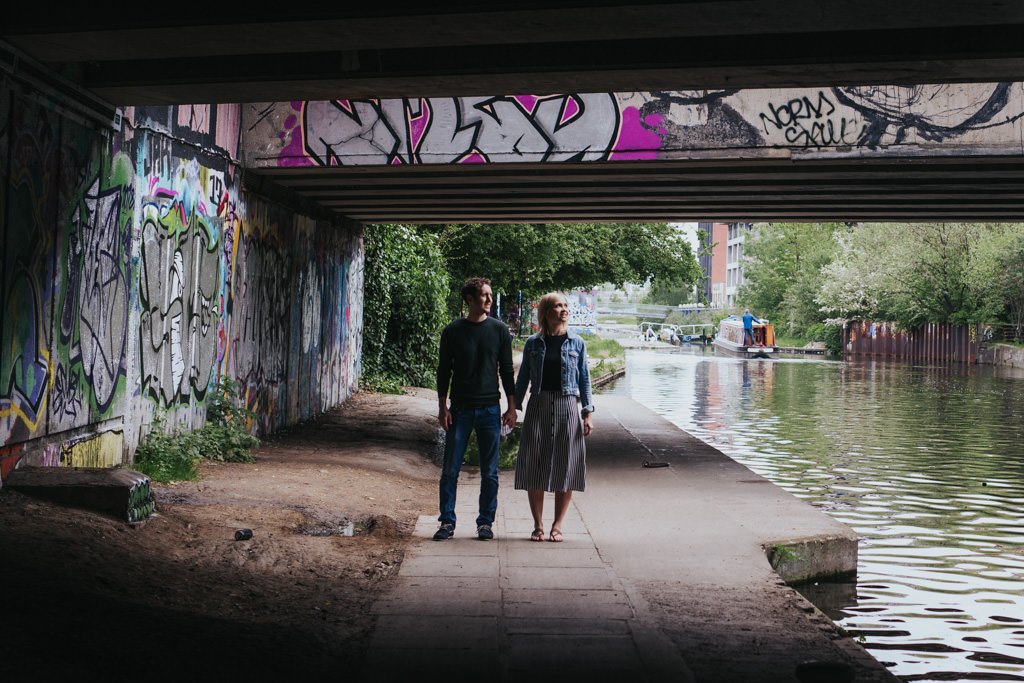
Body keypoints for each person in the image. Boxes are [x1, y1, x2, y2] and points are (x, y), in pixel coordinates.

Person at [435, 277, 518, 541]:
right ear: (470, 300)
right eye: (484, 295)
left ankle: (485, 523)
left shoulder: (499, 330)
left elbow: (506, 371)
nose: (489, 299)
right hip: (459, 409)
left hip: (490, 410)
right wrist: (442, 407)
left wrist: (512, 407)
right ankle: (447, 522)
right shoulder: (452, 331)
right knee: (450, 469)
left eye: (490, 295)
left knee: (490, 472)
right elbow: (443, 371)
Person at [514, 292, 594, 543]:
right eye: (557, 306)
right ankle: (538, 525)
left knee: (566, 465)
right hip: (538, 404)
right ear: (546, 313)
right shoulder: (533, 344)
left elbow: (585, 380)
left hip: (567, 405)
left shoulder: (577, 344)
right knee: (534, 463)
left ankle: (557, 526)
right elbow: (523, 378)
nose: (563, 309)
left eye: (565, 305)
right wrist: (512, 408)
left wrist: (587, 413)